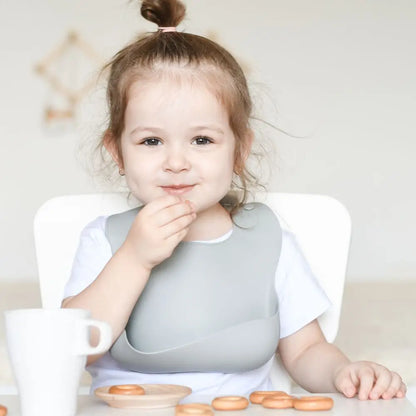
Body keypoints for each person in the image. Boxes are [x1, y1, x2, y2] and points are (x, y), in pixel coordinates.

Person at [62, 0, 406, 402]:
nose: (176, 162)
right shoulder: (104, 240)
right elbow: (71, 350)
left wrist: (344, 371)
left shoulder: (269, 241)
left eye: (202, 140)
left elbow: (306, 351)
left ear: (239, 151)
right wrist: (135, 257)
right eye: (151, 141)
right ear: (118, 153)